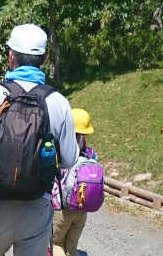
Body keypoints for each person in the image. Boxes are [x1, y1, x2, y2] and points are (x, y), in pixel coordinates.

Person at [0, 24, 78, 256]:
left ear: (11, 56)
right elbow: (70, 159)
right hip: (36, 206)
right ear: (45, 57)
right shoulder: (58, 101)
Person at [52, 108, 96, 256]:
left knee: (56, 243)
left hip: (63, 209)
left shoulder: (63, 153)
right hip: (82, 209)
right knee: (71, 247)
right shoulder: (91, 154)